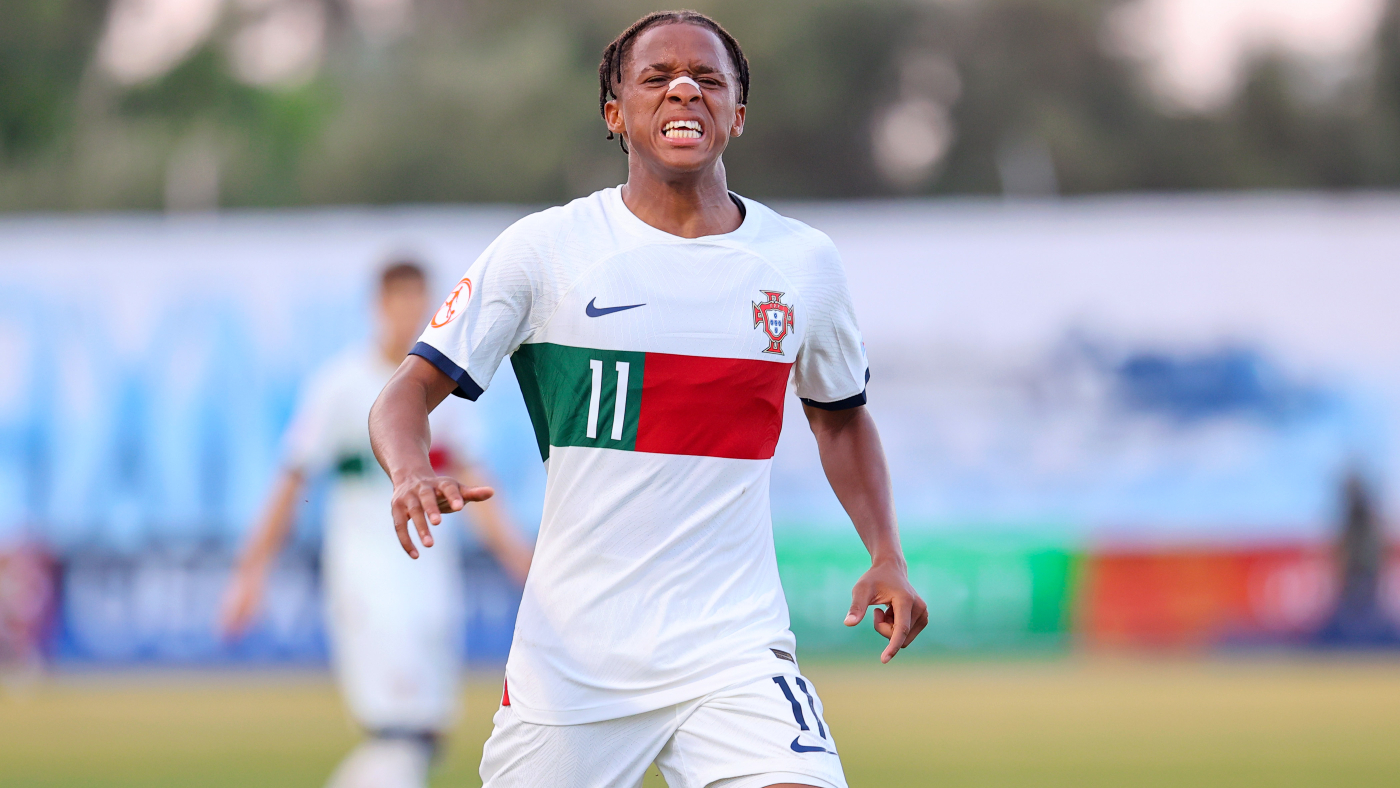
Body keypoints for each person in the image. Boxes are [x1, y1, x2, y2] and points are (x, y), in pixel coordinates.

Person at [368, 11, 929, 788]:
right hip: (574, 665)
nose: (684, 91)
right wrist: (409, 471)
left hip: (733, 652)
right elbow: (404, 393)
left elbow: (840, 419)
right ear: (615, 113)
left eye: (708, 80)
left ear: (737, 113)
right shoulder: (547, 251)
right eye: (657, 78)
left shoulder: (802, 264)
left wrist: (886, 552)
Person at [220, 260, 533, 788]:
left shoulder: (446, 393)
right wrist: (250, 573)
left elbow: (475, 482)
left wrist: (523, 562)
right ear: (380, 306)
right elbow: (291, 480)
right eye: (400, 301)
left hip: (431, 579)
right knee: (398, 734)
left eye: (419, 302)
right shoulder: (341, 384)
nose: (410, 314)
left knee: (424, 735)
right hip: (369, 579)